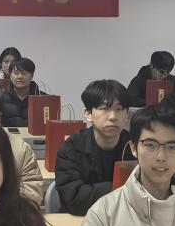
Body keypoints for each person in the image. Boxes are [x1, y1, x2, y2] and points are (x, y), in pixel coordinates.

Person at [55, 80, 135, 216]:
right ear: (88, 114)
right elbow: (74, 200)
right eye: (104, 109)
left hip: (125, 219)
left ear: (127, 115)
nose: (113, 117)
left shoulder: (135, 146)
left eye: (119, 109)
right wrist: (122, 188)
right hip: (81, 220)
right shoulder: (71, 148)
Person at [0, 58, 42, 127]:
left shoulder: (42, 98)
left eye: (24, 73)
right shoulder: (0, 98)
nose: (20, 76)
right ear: (10, 75)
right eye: (16, 73)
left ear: (32, 76)